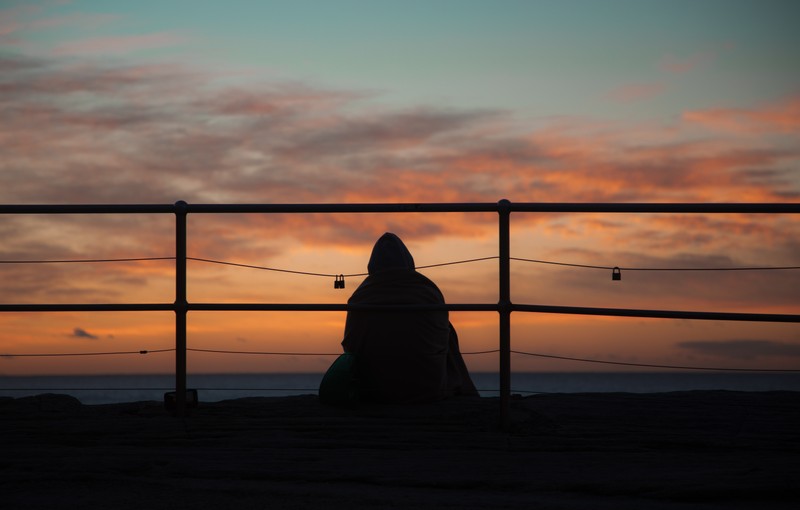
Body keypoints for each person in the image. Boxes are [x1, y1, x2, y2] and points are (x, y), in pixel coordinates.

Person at [322, 232, 478, 404]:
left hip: (373, 392)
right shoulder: (428, 292)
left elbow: (350, 345)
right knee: (447, 331)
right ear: (409, 261)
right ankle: (464, 388)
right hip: (427, 390)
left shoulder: (360, 297)